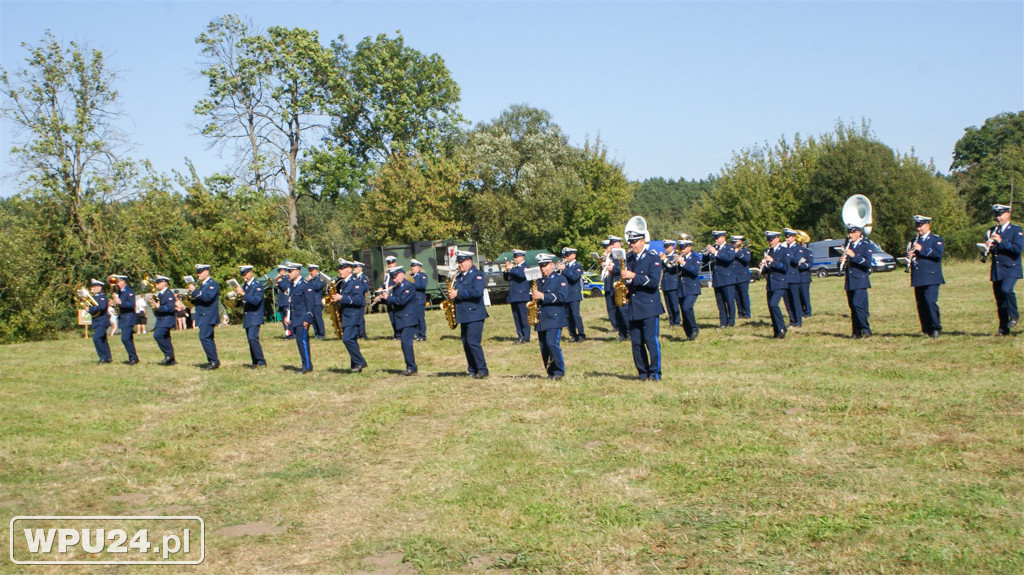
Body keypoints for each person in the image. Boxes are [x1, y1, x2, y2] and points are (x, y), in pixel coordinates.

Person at [621, 230, 664, 380]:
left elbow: (653, 282)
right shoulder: (629, 259)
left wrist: (633, 276)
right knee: (636, 343)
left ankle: (655, 372)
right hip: (634, 306)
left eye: (635, 242)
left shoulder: (653, 258)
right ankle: (642, 372)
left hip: (649, 306)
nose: (633, 245)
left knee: (650, 340)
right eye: (631, 243)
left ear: (643, 241)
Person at [448, 250, 489, 378]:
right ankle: (472, 368)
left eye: (461, 262)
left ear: (469, 261)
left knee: (473, 342)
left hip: (474, 313)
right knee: (466, 343)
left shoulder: (477, 275)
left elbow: (476, 292)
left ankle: (482, 369)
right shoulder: (459, 276)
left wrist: (457, 293)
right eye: (458, 262)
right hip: (463, 314)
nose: (459, 264)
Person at [985, 204, 1023, 335]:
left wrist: (1001, 242)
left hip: (1011, 267)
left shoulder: (1015, 230)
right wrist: (986, 248)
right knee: (1000, 299)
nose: (998, 218)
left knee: (1006, 290)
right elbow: (991, 253)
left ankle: (1014, 315)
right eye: (996, 215)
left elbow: (1017, 249)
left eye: (1000, 214)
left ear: (1007, 215)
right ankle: (1003, 328)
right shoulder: (991, 231)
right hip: (997, 269)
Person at [531, 253, 567, 379]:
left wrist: (543, 296)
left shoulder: (559, 279)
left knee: (552, 344)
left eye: (545, 265)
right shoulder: (539, 281)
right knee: (544, 347)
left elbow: (562, 297)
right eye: (541, 266)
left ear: (552, 264)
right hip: (542, 318)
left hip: (554, 317)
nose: (543, 268)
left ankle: (559, 371)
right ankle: (550, 372)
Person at [381, 266, 419, 376]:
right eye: (392, 278)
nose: (394, 279)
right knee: (404, 344)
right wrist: (383, 298)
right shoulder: (396, 287)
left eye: (395, 277)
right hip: (401, 319)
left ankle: (411, 367)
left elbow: (401, 301)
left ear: (401, 274)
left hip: (409, 319)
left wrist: (388, 298)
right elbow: (392, 302)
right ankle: (410, 366)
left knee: (406, 343)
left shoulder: (409, 286)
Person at [332, 260, 367, 373]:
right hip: (346, 315)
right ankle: (355, 366)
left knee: (347, 339)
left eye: (342, 269)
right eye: (339, 269)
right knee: (352, 339)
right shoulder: (343, 283)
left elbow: (359, 300)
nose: (340, 271)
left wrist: (342, 298)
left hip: (353, 315)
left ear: (349, 269)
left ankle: (360, 361)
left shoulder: (355, 283)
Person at [842, 224, 873, 338]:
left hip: (860, 279)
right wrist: (842, 261)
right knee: (852, 307)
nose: (850, 235)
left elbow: (867, 263)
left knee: (858, 305)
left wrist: (853, 256)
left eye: (852, 233)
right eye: (849, 232)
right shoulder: (848, 245)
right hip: (850, 280)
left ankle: (866, 329)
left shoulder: (865, 244)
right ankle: (856, 331)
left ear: (858, 233)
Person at [285, 262, 317, 373]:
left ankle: (307, 366)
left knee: (303, 341)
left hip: (302, 318)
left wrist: (307, 318)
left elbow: (310, 303)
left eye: (290, 271)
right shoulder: (292, 285)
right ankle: (305, 364)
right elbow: (291, 302)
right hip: (295, 318)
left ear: (297, 271)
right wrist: (287, 316)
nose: (288, 273)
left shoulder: (305, 285)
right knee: (299, 341)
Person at [188, 264, 221, 369]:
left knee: (204, 337)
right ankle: (213, 360)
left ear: (207, 272)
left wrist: (195, 291)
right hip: (203, 315)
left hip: (209, 315)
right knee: (208, 338)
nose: (199, 274)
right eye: (198, 272)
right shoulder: (203, 285)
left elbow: (207, 298)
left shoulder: (212, 284)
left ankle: (213, 361)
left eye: (201, 272)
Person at [236, 265, 267, 367]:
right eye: (242, 275)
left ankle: (261, 361)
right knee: (250, 340)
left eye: (245, 274)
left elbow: (256, 301)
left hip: (255, 315)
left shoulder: (257, 285)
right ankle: (255, 361)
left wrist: (243, 294)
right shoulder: (244, 285)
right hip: (248, 315)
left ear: (251, 272)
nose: (244, 276)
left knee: (253, 338)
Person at [705, 231, 736, 328]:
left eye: (717, 238)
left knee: (730, 301)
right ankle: (723, 322)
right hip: (717, 279)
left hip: (727, 279)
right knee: (720, 302)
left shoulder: (729, 248)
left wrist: (716, 252)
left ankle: (731, 322)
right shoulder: (715, 249)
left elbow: (728, 258)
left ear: (723, 238)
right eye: (715, 238)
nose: (716, 240)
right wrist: (707, 254)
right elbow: (706, 263)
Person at [761, 232, 789, 339]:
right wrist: (763, 267)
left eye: (772, 239)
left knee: (774, 304)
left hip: (780, 281)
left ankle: (782, 327)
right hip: (771, 282)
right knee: (770, 306)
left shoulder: (784, 251)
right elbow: (768, 269)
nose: (770, 242)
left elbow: (785, 267)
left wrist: (772, 261)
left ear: (778, 239)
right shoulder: (768, 251)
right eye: (768, 240)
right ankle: (777, 330)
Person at [556, 247, 586, 343]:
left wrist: (564, 269)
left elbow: (574, 277)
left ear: (574, 255)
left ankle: (581, 334)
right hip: (565, 294)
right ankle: (572, 334)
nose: (566, 257)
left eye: (568, 255)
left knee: (575, 315)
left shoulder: (577, 266)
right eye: (565, 255)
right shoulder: (565, 266)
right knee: (567, 316)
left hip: (574, 294)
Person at [604, 236, 630, 342]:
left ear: (619, 243)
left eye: (614, 243)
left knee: (622, 309)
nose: (612, 245)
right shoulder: (611, 255)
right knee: (616, 311)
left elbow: (623, 267)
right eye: (611, 243)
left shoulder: (621, 254)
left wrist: (612, 268)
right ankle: (621, 332)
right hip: (612, 284)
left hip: (620, 283)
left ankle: (628, 332)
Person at [503, 249, 531, 344]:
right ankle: (520, 335)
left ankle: (526, 337)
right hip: (514, 295)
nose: (515, 258)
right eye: (514, 256)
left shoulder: (525, 267)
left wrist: (511, 268)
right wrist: (506, 271)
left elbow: (521, 275)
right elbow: (507, 278)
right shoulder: (514, 268)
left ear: (522, 257)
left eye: (517, 256)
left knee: (523, 317)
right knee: (516, 317)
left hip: (522, 295)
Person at [676, 240, 702, 341]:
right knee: (683, 310)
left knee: (687, 307)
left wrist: (683, 263)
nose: (682, 250)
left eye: (684, 248)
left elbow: (695, 271)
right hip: (681, 288)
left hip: (692, 287)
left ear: (689, 247)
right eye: (681, 248)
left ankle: (694, 328)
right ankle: (689, 333)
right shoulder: (680, 257)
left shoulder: (694, 257)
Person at [111, 275, 139, 365]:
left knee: (125, 338)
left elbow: (132, 304)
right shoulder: (120, 292)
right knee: (128, 339)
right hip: (123, 317)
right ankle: (133, 357)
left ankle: (133, 358)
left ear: (123, 282)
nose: (117, 283)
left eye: (118, 281)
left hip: (128, 317)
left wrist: (121, 302)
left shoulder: (129, 291)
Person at [151, 275, 178, 365]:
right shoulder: (160, 294)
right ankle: (171, 361)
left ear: (165, 283)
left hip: (167, 319)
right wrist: (153, 306)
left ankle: (168, 355)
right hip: (161, 319)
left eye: (159, 282)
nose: (157, 284)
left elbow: (170, 308)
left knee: (158, 335)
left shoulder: (169, 294)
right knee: (166, 338)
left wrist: (159, 307)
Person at [86, 279, 112, 364]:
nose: (92, 288)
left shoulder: (102, 297)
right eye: (92, 287)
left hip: (102, 321)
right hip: (97, 321)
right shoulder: (94, 297)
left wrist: (90, 309)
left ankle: (103, 357)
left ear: (99, 287)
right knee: (103, 340)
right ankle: (108, 357)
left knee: (96, 338)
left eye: (94, 287)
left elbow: (102, 307)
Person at [782, 229, 803, 329]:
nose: (787, 239)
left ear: (794, 237)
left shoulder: (798, 248)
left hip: (793, 277)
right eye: (786, 237)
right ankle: (792, 320)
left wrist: (787, 253)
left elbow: (796, 261)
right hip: (785, 277)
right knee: (787, 301)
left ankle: (798, 321)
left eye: (788, 237)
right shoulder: (784, 248)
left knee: (795, 300)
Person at [660, 240, 682, 327]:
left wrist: (665, 259)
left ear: (672, 246)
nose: (666, 248)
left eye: (667, 246)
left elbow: (672, 267)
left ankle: (677, 321)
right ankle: (671, 321)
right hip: (665, 283)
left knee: (674, 303)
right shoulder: (666, 256)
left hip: (673, 282)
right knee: (668, 304)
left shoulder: (675, 255)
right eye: (665, 247)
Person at [731, 236, 752, 319]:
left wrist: (737, 252)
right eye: (733, 242)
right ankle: (740, 312)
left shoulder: (745, 251)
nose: (734, 244)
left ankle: (747, 313)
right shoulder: (731, 251)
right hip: (733, 276)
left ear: (740, 242)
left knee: (744, 295)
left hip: (743, 276)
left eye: (735, 242)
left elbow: (747, 260)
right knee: (736, 296)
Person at [795, 236, 814, 317]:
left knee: (804, 295)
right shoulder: (793, 251)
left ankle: (807, 312)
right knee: (797, 296)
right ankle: (800, 311)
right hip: (795, 277)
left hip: (804, 276)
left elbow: (810, 264)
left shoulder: (807, 251)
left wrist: (800, 265)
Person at [381, 255, 400, 339]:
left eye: (391, 263)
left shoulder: (399, 272)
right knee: (392, 317)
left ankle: (400, 334)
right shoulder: (387, 273)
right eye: (389, 263)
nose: (390, 265)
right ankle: (396, 334)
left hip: (395, 296)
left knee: (397, 317)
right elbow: (385, 283)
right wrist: (381, 287)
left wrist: (392, 287)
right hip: (388, 297)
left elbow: (399, 283)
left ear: (395, 263)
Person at [409, 259, 428, 341]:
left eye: (414, 266)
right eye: (411, 266)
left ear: (419, 268)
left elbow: (422, 286)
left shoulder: (422, 276)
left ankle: (422, 335)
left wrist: (411, 283)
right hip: (412, 300)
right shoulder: (410, 276)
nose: (412, 268)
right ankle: (416, 334)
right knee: (414, 318)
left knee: (420, 318)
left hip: (419, 299)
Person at [306, 264, 326, 339]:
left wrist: (310, 280)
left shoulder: (319, 279)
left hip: (317, 302)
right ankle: (316, 333)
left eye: (312, 271)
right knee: (313, 319)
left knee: (318, 318)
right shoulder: (310, 280)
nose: (310, 273)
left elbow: (317, 287)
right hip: (311, 302)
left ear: (315, 270)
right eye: (309, 271)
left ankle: (321, 333)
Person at [352, 261, 370, 339]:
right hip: (354, 300)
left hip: (360, 300)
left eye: (356, 267)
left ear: (360, 268)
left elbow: (365, 288)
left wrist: (357, 289)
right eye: (354, 267)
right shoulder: (354, 277)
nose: (354, 269)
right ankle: (357, 334)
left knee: (360, 318)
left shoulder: (363, 278)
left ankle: (362, 334)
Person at [274, 266, 292, 339]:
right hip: (281, 302)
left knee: (288, 319)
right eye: (278, 271)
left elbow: (286, 289)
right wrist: (276, 286)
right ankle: (287, 333)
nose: (279, 273)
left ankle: (291, 333)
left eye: (280, 271)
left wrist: (280, 282)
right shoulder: (280, 280)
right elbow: (278, 292)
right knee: (283, 319)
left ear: (284, 271)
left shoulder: (287, 279)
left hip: (286, 301)